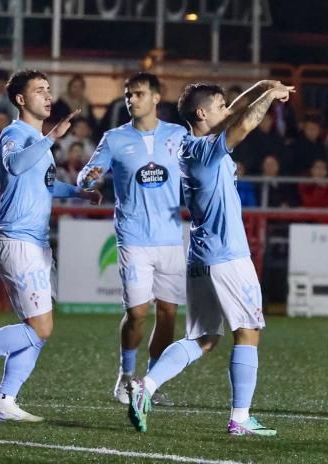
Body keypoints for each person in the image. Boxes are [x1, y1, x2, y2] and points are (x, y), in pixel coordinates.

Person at [126, 79, 293, 436]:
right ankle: (240, 418)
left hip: (202, 255)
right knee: (248, 332)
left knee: (203, 339)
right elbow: (245, 123)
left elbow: (235, 113)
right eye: (220, 105)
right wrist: (271, 97)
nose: (227, 109)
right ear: (202, 113)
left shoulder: (191, 146)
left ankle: (146, 386)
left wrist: (263, 85)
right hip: (227, 256)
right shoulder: (204, 150)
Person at [0, 69, 101, 423]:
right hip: (17, 241)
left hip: (35, 244)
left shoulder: (39, 140)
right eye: (39, 90)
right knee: (41, 327)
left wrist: (77, 193)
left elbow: (44, 183)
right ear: (21, 99)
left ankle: (4, 402)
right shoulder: (14, 134)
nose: (47, 96)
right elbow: (15, 164)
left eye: (48, 90)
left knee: (35, 330)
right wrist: (52, 138)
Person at [77, 72, 187, 407]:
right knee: (138, 312)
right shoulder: (113, 138)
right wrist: (89, 177)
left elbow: (198, 168)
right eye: (128, 95)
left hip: (171, 237)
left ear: (156, 97)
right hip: (134, 236)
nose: (131, 100)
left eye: (138, 94)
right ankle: (125, 377)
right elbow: (87, 175)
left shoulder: (179, 134)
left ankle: (151, 382)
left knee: (168, 313)